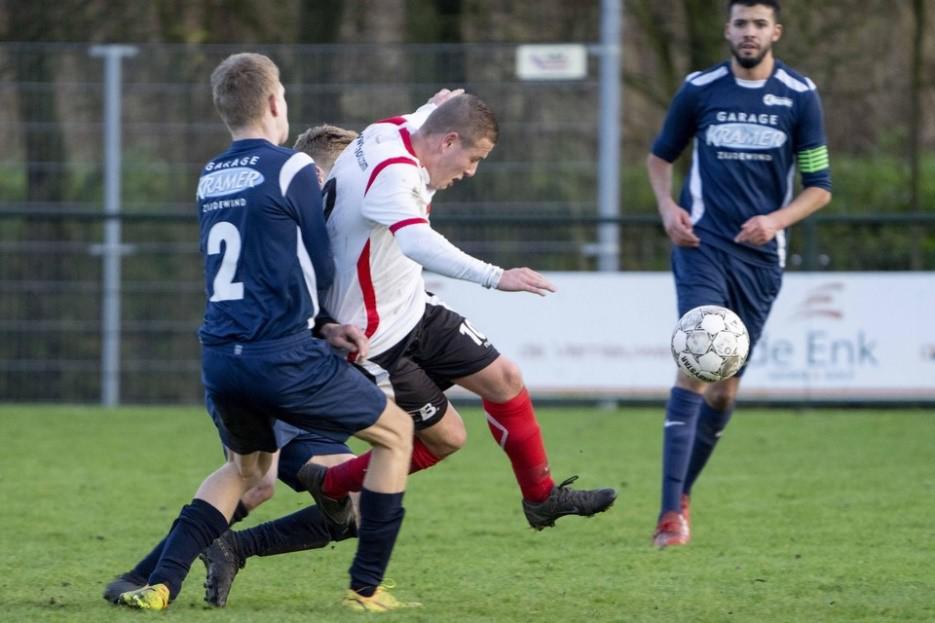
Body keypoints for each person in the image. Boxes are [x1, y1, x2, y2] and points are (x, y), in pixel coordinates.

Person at [197, 93, 617, 607]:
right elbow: (418, 242)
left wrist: (438, 100)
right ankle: (327, 515)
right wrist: (495, 276)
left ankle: (542, 498)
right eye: (473, 159)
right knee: (439, 442)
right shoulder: (392, 177)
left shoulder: (391, 129)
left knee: (505, 379)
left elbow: (428, 116)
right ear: (447, 143)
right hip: (376, 342)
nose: (471, 172)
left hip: (415, 310)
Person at [111, 52, 419, 614]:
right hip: (281, 356)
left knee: (247, 472)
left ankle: (157, 584)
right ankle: (366, 587)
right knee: (397, 434)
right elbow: (319, 260)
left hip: (220, 355)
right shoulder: (293, 167)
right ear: (276, 102)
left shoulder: (210, 175)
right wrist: (327, 323)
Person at [645, 0, 831, 547]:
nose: (749, 33)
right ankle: (667, 517)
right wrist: (666, 208)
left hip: (760, 261)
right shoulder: (700, 88)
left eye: (758, 24)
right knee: (696, 358)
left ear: (775, 31)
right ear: (727, 30)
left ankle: (683, 493)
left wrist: (776, 220)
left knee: (723, 392)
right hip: (702, 246)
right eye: (740, 24)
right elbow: (660, 158)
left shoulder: (800, 96)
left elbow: (819, 186)